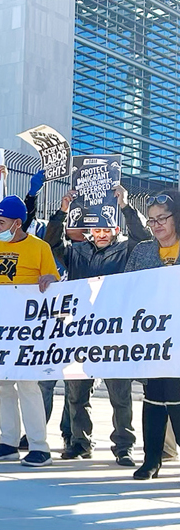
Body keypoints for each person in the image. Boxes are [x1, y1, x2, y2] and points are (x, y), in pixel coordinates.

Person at [44, 184, 149, 466]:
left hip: (115, 332)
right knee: (76, 392)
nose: (101, 233)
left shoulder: (128, 250)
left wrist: (125, 206)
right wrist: (61, 213)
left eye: (107, 228)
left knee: (120, 394)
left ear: (116, 229)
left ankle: (123, 446)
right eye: (98, 228)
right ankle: (80, 442)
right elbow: (51, 244)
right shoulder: (77, 252)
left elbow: (143, 237)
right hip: (81, 330)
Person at [0, 195, 59, 467]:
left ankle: (39, 446)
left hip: (28, 330)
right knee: (3, 385)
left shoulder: (40, 248)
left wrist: (50, 280)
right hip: (0, 328)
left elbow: (53, 284)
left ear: (16, 223)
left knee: (28, 384)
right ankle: (8, 442)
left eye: (1, 222)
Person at [125, 190, 180, 480]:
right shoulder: (142, 252)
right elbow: (127, 291)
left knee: (177, 398)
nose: (157, 225)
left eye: (163, 218)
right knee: (153, 398)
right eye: (152, 220)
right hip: (153, 341)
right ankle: (151, 460)